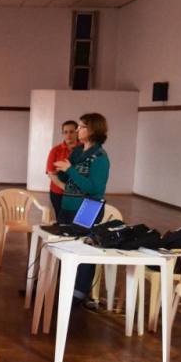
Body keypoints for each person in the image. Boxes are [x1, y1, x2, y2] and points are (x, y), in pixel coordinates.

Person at [54, 113, 111, 303]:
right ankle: (62, 286)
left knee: (84, 250)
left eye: (81, 127)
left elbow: (94, 188)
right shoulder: (77, 152)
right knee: (64, 247)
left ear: (93, 130)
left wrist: (70, 170)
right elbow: (67, 179)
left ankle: (79, 292)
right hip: (68, 205)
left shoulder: (100, 157)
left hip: (88, 208)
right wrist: (61, 171)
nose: (77, 131)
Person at [45, 121, 79, 217]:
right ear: (62, 133)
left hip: (79, 193)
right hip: (58, 192)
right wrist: (64, 187)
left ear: (77, 132)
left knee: (77, 221)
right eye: (66, 132)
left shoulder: (84, 149)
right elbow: (51, 173)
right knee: (61, 219)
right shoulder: (55, 150)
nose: (68, 135)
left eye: (72, 132)